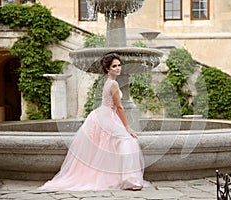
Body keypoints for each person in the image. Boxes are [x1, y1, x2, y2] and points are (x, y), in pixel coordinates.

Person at [39, 53, 149, 191]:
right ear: (108, 69)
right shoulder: (113, 83)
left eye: (119, 65)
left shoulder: (109, 81)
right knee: (128, 140)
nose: (118, 68)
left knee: (111, 144)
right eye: (114, 66)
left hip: (103, 114)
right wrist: (127, 127)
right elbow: (119, 107)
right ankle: (129, 180)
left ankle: (119, 177)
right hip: (106, 115)